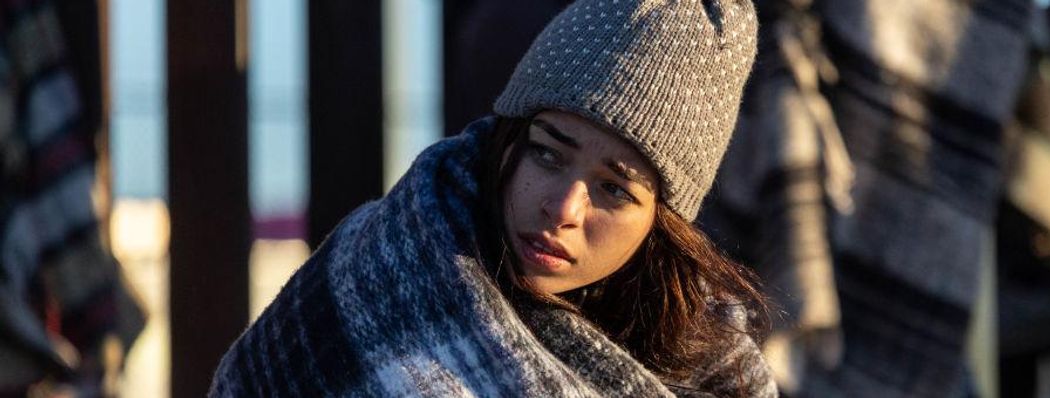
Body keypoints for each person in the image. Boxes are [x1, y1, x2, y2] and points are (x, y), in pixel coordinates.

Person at [210, 0, 776, 396]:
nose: (563, 209)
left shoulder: (714, 369)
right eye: (547, 155)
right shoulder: (375, 277)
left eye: (614, 190)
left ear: (662, 223)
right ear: (507, 140)